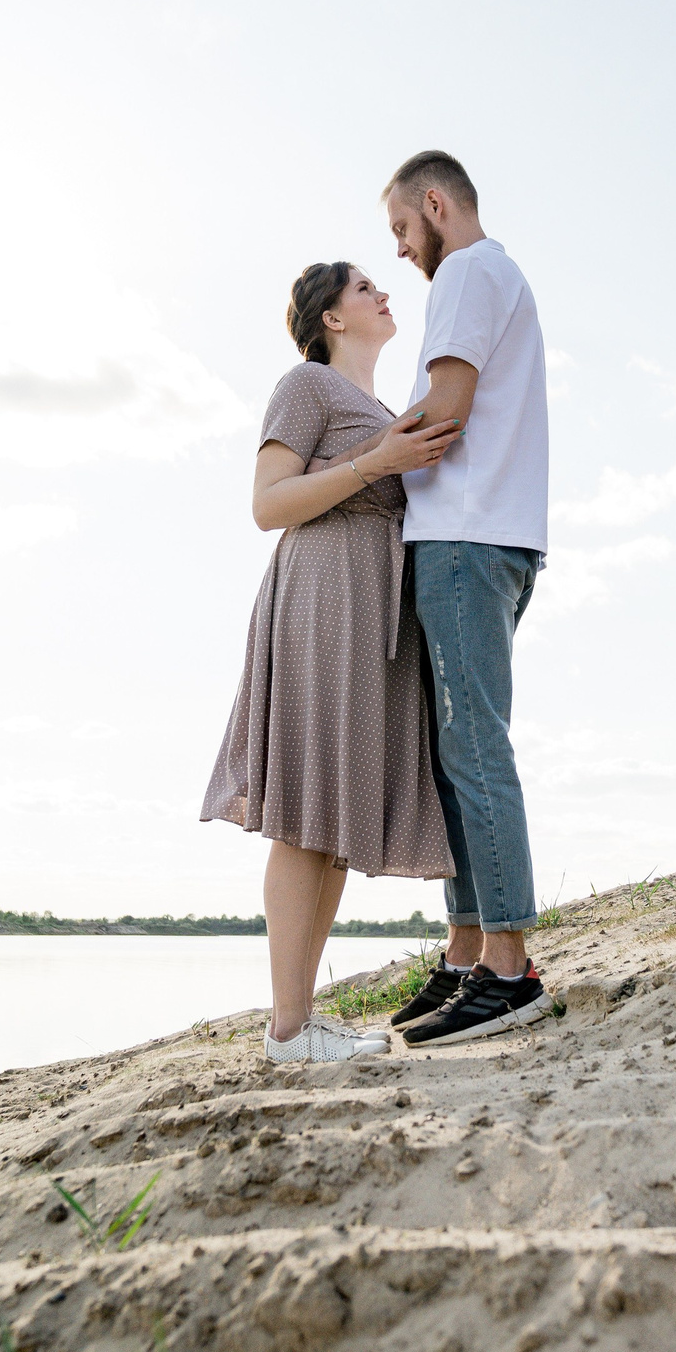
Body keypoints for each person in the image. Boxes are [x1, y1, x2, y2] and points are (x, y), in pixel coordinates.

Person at [201, 262, 462, 1063]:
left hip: (375, 604)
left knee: (335, 819)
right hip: (321, 590)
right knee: (307, 806)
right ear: (331, 317)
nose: (383, 293)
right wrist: (373, 464)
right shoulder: (306, 385)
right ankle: (287, 1029)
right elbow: (267, 505)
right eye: (363, 287)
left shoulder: (381, 405)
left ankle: (301, 1020)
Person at [373, 151, 557, 1048]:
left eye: (404, 230)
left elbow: (444, 413)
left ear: (436, 205)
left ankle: (510, 968)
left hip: (468, 537)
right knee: (459, 750)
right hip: (490, 536)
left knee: (474, 746)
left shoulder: (470, 271)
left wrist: (355, 464)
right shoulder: (495, 277)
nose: (405, 253)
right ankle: (468, 952)